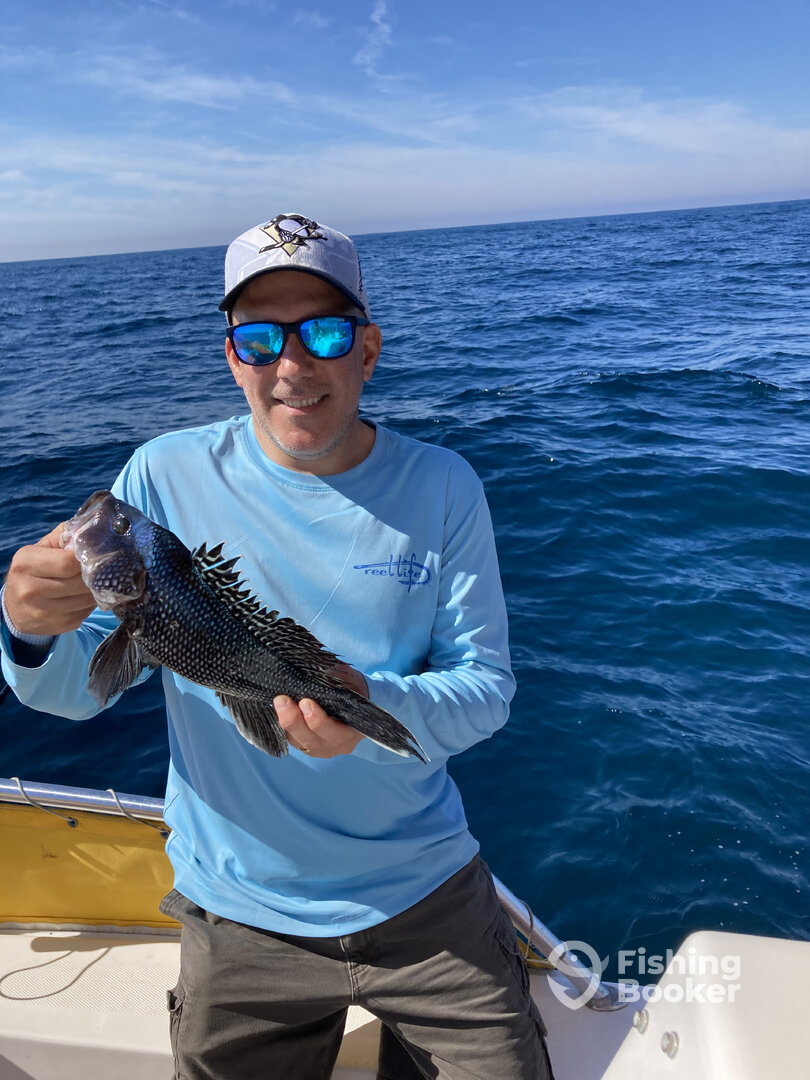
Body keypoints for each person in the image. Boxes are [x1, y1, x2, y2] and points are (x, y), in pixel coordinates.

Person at [1, 213, 554, 1079]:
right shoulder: (159, 475)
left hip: (426, 895)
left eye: (323, 332)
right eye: (260, 339)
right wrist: (30, 628)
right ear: (233, 357)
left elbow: (484, 689)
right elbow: (76, 690)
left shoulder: (444, 484)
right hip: (237, 912)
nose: (293, 364)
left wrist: (369, 706)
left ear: (368, 349)